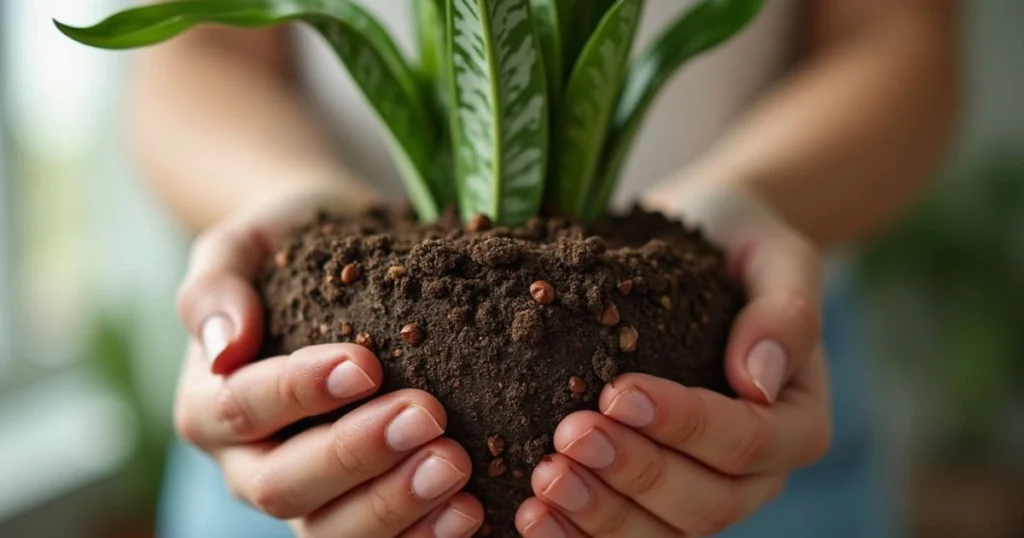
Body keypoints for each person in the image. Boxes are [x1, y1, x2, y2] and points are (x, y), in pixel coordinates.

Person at [145, 1, 959, 537]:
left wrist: (740, 203)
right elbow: (194, 51)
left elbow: (897, 38)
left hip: (743, 400)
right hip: (309, 453)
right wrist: (296, 208)